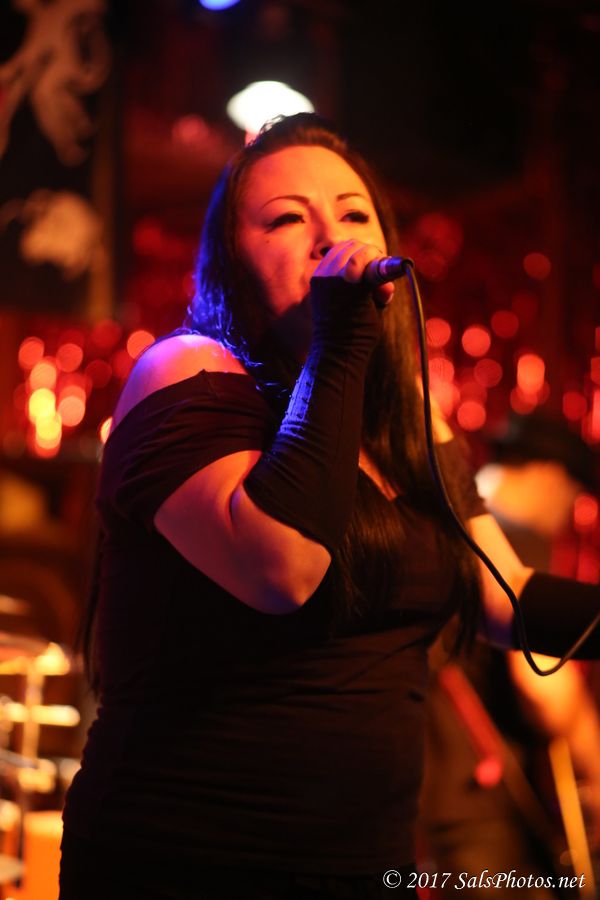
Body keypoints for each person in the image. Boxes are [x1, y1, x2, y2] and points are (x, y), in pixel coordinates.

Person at [58, 114, 600, 900]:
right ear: (232, 260)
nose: (331, 239)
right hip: (181, 861)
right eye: (287, 219)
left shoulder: (408, 413)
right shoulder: (185, 372)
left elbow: (505, 596)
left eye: (354, 215)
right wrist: (339, 342)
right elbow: (282, 567)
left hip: (364, 864)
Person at [419, 414, 600, 898]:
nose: (566, 517)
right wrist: (595, 761)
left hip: (433, 797)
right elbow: (542, 688)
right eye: (573, 497)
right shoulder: (515, 541)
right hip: (488, 810)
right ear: (548, 475)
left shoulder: (443, 528)